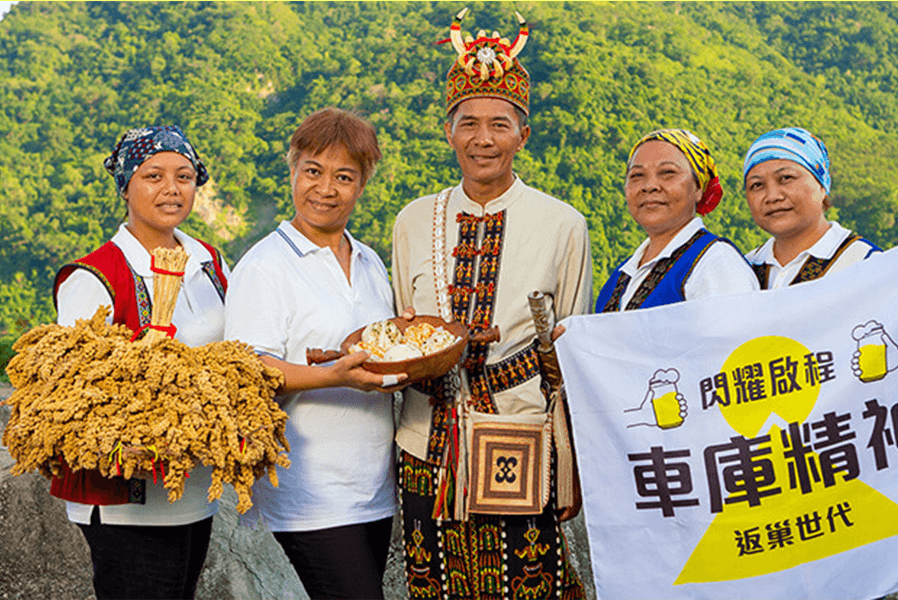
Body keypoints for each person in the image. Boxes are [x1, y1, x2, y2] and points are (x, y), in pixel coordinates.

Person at [391, 8, 591, 599]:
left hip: (521, 436)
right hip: (424, 438)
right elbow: (406, 327)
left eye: (500, 124)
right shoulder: (413, 220)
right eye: (469, 123)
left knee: (530, 584)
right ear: (448, 131)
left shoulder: (562, 224)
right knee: (435, 584)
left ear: (522, 135)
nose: (484, 138)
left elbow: (571, 341)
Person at [224, 108, 402, 600]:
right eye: (313, 171)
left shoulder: (369, 262)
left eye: (344, 177)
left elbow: (381, 346)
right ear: (293, 171)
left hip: (373, 488)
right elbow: (249, 369)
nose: (325, 188)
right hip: (309, 490)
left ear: (362, 185)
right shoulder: (265, 266)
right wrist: (335, 377)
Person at [52, 126, 227, 600]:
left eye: (185, 176)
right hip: (127, 499)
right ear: (126, 186)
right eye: (153, 175)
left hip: (194, 488)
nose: (172, 188)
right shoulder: (95, 276)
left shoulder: (208, 261)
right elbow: (68, 389)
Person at [595, 129, 758, 312]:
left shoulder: (716, 263)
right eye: (637, 175)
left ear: (698, 188)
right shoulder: (621, 277)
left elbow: (735, 338)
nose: (649, 186)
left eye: (667, 173)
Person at [742, 127, 881, 289]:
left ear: (822, 186)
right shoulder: (743, 270)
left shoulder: (865, 263)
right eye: (757, 185)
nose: (772, 196)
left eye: (786, 178)